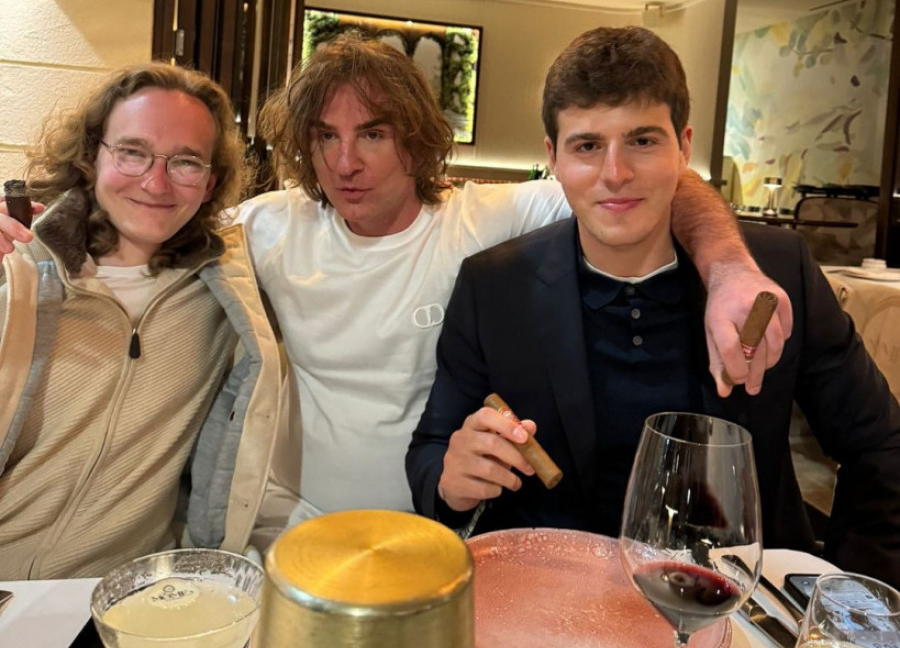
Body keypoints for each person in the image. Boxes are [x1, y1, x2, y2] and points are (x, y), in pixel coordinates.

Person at [406, 26, 900, 584]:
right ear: (553, 157)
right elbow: (431, 450)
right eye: (587, 146)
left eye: (642, 141)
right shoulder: (494, 286)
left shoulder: (776, 272)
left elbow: (881, 447)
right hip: (557, 591)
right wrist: (451, 481)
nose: (615, 173)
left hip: (740, 596)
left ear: (683, 148)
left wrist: (852, 601)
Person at [240, 32, 791, 525]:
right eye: (324, 136)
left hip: (436, 527)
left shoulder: (486, 219)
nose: (344, 163)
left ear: (415, 138)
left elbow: (655, 186)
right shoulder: (270, 226)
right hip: (296, 518)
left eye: (373, 134)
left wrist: (729, 270)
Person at [0, 63, 296, 580]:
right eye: (132, 152)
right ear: (92, 157)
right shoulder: (16, 271)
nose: (156, 183)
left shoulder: (228, 299)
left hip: (127, 597)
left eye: (185, 162)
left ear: (209, 183)